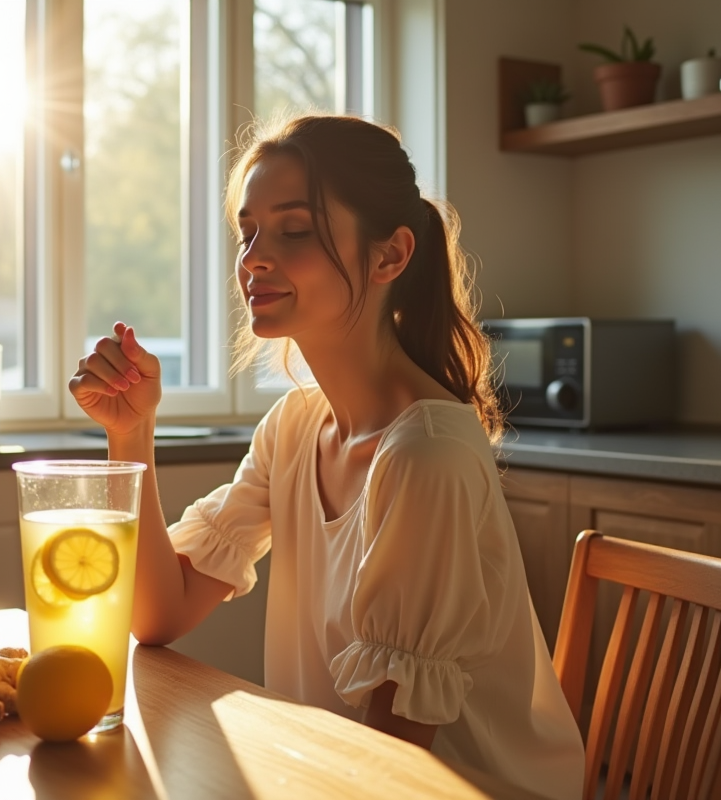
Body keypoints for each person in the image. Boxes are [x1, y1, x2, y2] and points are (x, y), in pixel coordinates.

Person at [69, 114, 585, 800]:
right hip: (331, 776)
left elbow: (393, 762)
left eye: (294, 230)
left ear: (389, 257)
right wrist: (132, 435)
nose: (253, 256)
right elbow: (158, 616)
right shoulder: (296, 425)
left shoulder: (424, 456)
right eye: (247, 231)